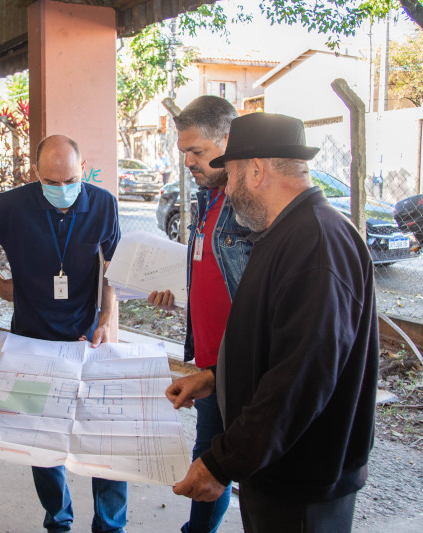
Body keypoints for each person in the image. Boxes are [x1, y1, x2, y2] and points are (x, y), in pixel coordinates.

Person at [167, 113, 378, 533]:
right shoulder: (285, 231)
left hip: (300, 481)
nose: (225, 188)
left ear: (257, 170)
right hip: (276, 467)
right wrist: (213, 378)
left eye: (229, 176)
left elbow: (298, 380)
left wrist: (222, 462)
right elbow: (273, 343)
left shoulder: (316, 244)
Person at [0, 134, 124, 533]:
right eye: (51, 182)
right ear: (36, 174)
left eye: (69, 180)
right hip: (31, 339)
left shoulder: (102, 204)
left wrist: (106, 314)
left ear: (83, 170)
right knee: (42, 442)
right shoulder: (14, 205)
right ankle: (58, 520)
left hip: (87, 339)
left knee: (105, 439)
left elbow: (113, 264)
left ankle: (110, 526)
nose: (61, 190)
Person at [148, 95, 250, 533]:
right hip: (208, 365)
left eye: (198, 152)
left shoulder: (248, 206)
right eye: (184, 152)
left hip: (242, 369)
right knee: (208, 462)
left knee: (238, 464)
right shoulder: (208, 197)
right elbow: (212, 271)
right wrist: (179, 289)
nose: (188, 161)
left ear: (227, 141)